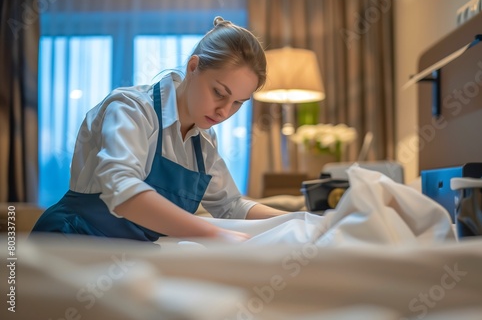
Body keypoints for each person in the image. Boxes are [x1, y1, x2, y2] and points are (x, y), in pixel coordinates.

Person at [31, 16, 289, 243]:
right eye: (219, 93)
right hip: (69, 244)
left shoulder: (204, 140)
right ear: (193, 67)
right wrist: (214, 234)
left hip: (123, 258)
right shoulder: (131, 109)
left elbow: (232, 205)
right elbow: (123, 190)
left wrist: (302, 220)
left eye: (237, 104)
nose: (224, 111)